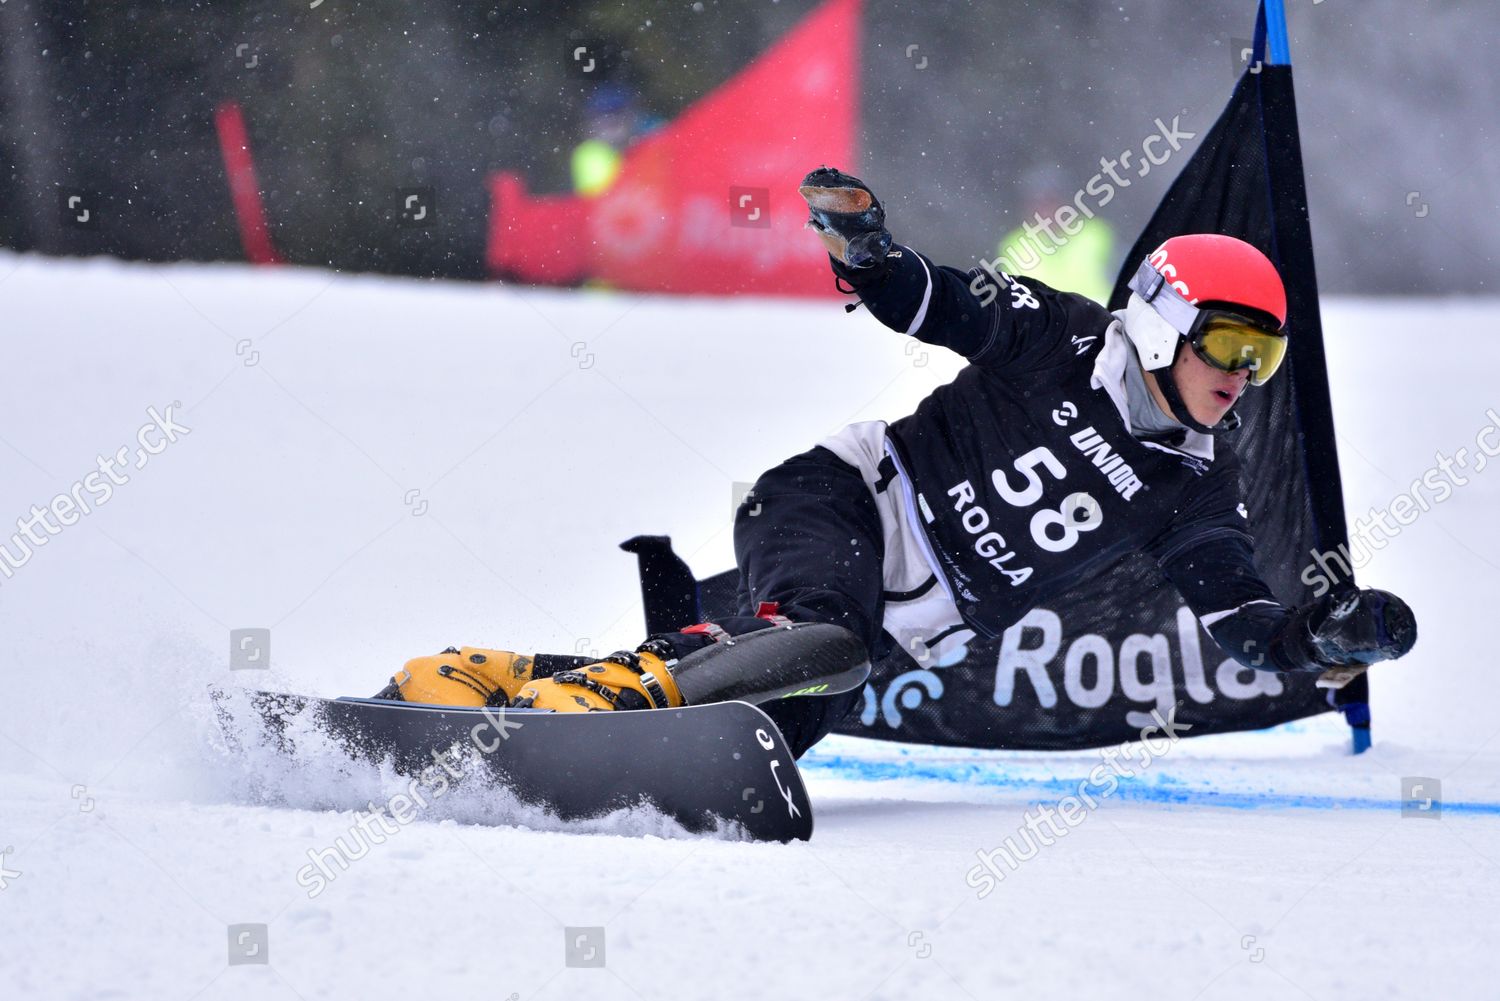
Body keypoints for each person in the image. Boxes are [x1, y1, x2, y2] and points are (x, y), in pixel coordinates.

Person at [375, 167, 1416, 757]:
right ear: (1158, 324)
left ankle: (488, 680)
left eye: (1266, 355)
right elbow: (937, 301)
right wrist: (869, 251)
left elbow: (1241, 624)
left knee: (768, 717)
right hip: (839, 503)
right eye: (1231, 344)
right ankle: (591, 711)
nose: (1246, 374)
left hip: (886, 627)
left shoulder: (1194, 484)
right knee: (818, 636)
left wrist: (1318, 635)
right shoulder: (1055, 334)